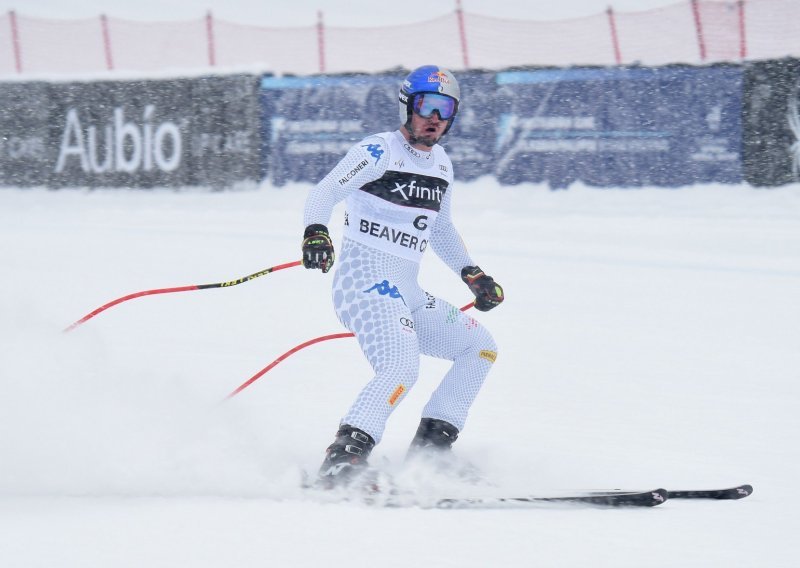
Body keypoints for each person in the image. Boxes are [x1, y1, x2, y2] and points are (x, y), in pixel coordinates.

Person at [301, 65, 504, 488]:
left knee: (480, 348)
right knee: (400, 367)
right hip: (364, 284)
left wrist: (473, 273)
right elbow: (324, 192)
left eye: (445, 109)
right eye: (427, 105)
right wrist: (316, 232)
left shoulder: (442, 165)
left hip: (406, 291)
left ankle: (432, 456)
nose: (435, 117)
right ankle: (342, 461)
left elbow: (441, 229)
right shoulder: (378, 151)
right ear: (408, 106)